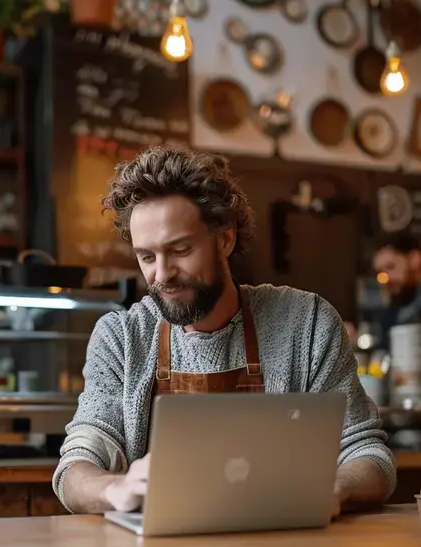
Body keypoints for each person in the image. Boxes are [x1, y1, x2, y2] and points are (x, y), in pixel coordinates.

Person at [52, 146, 396, 516]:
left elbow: (370, 455)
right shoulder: (121, 337)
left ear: (225, 238)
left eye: (180, 250)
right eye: (147, 257)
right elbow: (74, 470)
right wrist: (115, 488)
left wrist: (332, 486)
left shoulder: (306, 323)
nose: (162, 274)